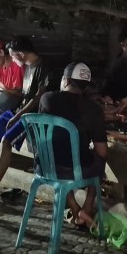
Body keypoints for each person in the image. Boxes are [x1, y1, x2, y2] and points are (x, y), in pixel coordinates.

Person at [0, 36, 59, 209]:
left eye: (12, 55)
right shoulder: (26, 66)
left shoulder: (44, 66)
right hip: (18, 111)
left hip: (31, 115)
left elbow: (37, 97)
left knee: (6, 140)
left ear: (20, 54)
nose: (11, 59)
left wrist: (18, 116)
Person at [28, 62, 107, 227]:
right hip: (76, 170)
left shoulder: (47, 98)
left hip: (45, 167)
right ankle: (87, 207)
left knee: (58, 150)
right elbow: (102, 151)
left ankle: (74, 207)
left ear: (65, 80)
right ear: (85, 87)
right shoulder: (94, 109)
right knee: (99, 160)